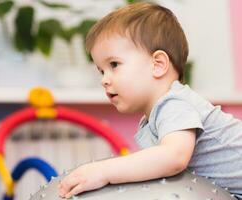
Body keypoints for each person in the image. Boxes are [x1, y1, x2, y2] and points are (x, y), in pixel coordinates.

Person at [58, 2, 242, 199]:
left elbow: (174, 158)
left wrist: (103, 171)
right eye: (101, 71)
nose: (104, 79)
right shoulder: (156, 114)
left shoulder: (174, 104)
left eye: (114, 64)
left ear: (158, 65)